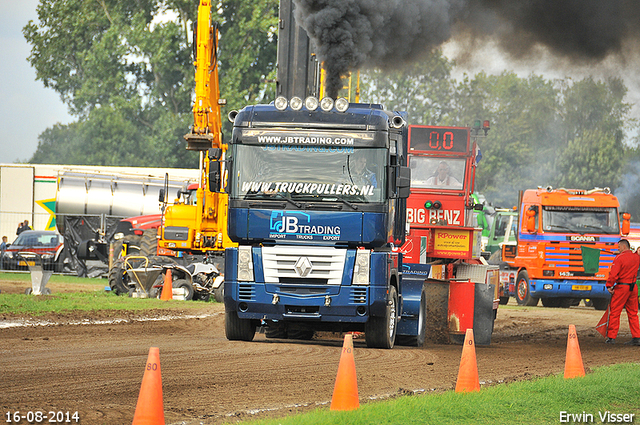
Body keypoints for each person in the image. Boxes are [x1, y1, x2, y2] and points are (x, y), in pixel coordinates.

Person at [604, 239, 640, 345]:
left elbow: (614, 274)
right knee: (633, 313)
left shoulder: (619, 258)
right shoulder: (636, 257)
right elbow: (631, 256)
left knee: (615, 312)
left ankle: (611, 337)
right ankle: (637, 337)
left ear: (623, 246)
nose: (617, 249)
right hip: (633, 287)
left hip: (622, 287)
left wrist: (609, 285)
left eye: (618, 247)